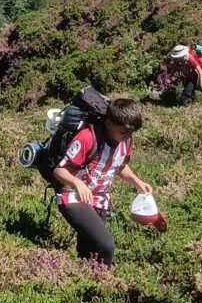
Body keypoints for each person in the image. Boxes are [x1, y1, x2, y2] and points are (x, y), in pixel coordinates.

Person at [53, 97, 151, 268]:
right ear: (109, 123)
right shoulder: (87, 137)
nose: (128, 136)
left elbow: (119, 165)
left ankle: (82, 276)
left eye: (131, 132)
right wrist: (77, 183)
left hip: (99, 199)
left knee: (89, 249)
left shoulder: (126, 140)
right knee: (106, 246)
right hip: (73, 196)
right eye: (123, 131)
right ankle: (102, 281)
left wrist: (136, 181)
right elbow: (59, 171)